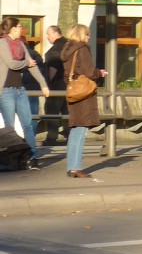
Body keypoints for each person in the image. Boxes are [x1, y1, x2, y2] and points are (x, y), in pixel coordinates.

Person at [0, 17, 50, 169]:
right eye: (20, 26)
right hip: (6, 90)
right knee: (10, 127)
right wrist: (27, 63)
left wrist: (43, 85)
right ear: (13, 28)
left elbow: (33, 66)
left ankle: (33, 156)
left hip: (20, 90)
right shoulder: (2, 43)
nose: (22, 29)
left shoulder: (20, 44)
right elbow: (11, 63)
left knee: (28, 124)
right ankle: (13, 158)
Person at [60, 23, 106, 179]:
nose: (89, 37)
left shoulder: (67, 50)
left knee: (75, 130)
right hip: (84, 94)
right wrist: (99, 73)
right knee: (81, 131)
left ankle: (71, 166)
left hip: (73, 92)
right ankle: (76, 167)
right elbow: (88, 71)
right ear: (81, 35)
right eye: (87, 34)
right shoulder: (82, 49)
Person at [41, 25, 66, 145]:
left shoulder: (54, 50)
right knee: (67, 110)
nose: (47, 37)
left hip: (57, 84)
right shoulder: (69, 45)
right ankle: (69, 134)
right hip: (70, 85)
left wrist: (47, 84)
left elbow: (53, 70)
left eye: (48, 34)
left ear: (56, 33)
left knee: (52, 110)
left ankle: (51, 137)